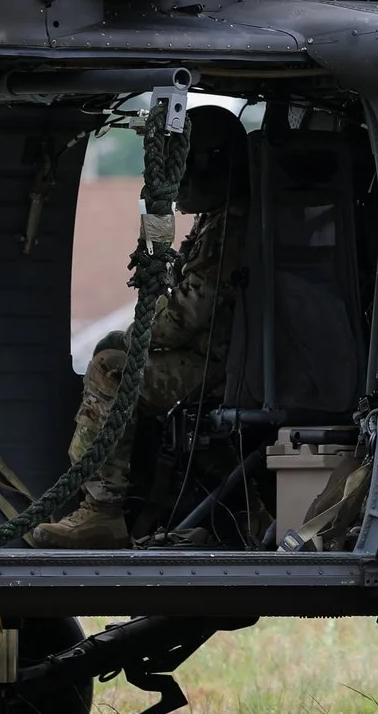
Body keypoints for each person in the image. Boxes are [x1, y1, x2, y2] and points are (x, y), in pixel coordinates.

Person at [30, 106, 250, 549]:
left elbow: (177, 323)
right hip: (227, 361)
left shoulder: (232, 230)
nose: (177, 181)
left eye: (182, 167)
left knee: (110, 369)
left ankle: (101, 510)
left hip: (220, 370)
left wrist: (127, 337)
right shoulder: (224, 220)